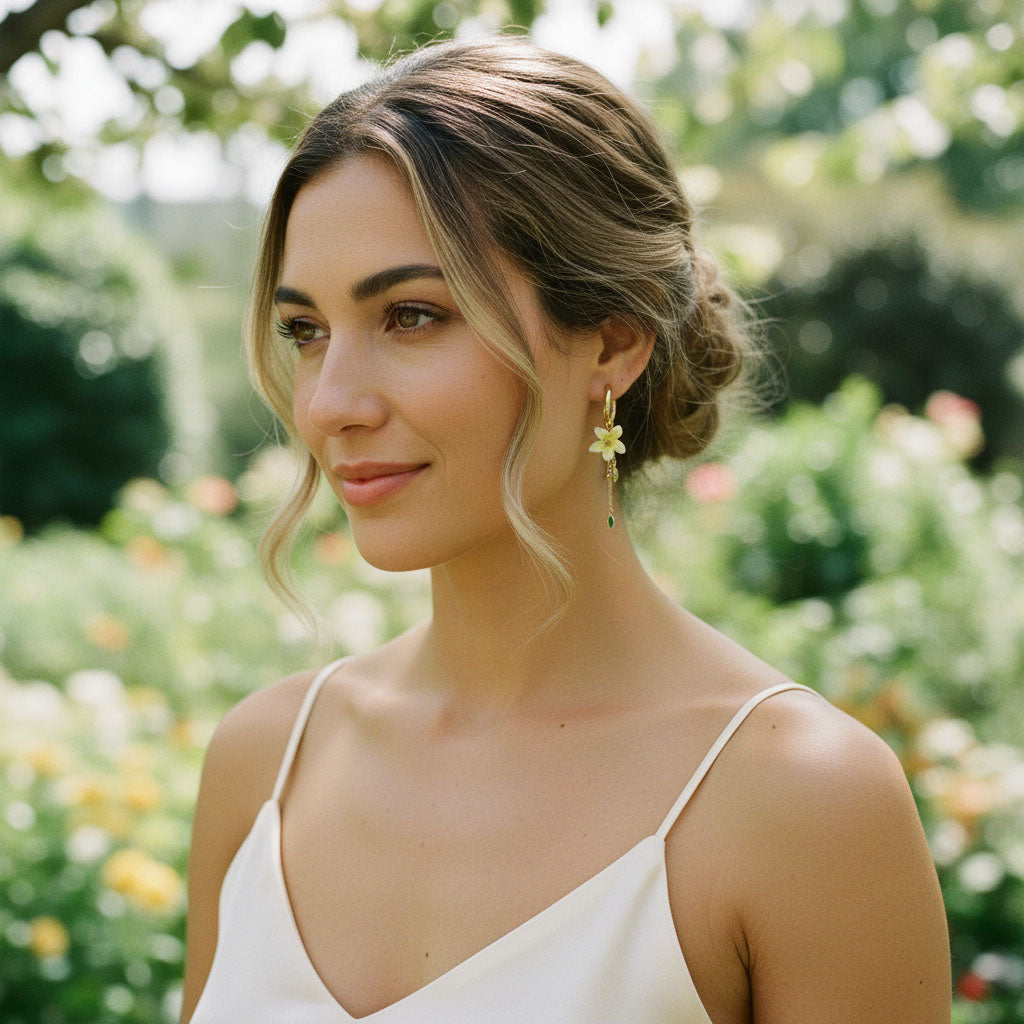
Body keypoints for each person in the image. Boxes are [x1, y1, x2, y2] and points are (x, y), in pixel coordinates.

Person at [180, 36, 951, 1024]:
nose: (330, 401)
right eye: (305, 330)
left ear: (615, 341)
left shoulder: (797, 800)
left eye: (412, 316)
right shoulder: (265, 764)